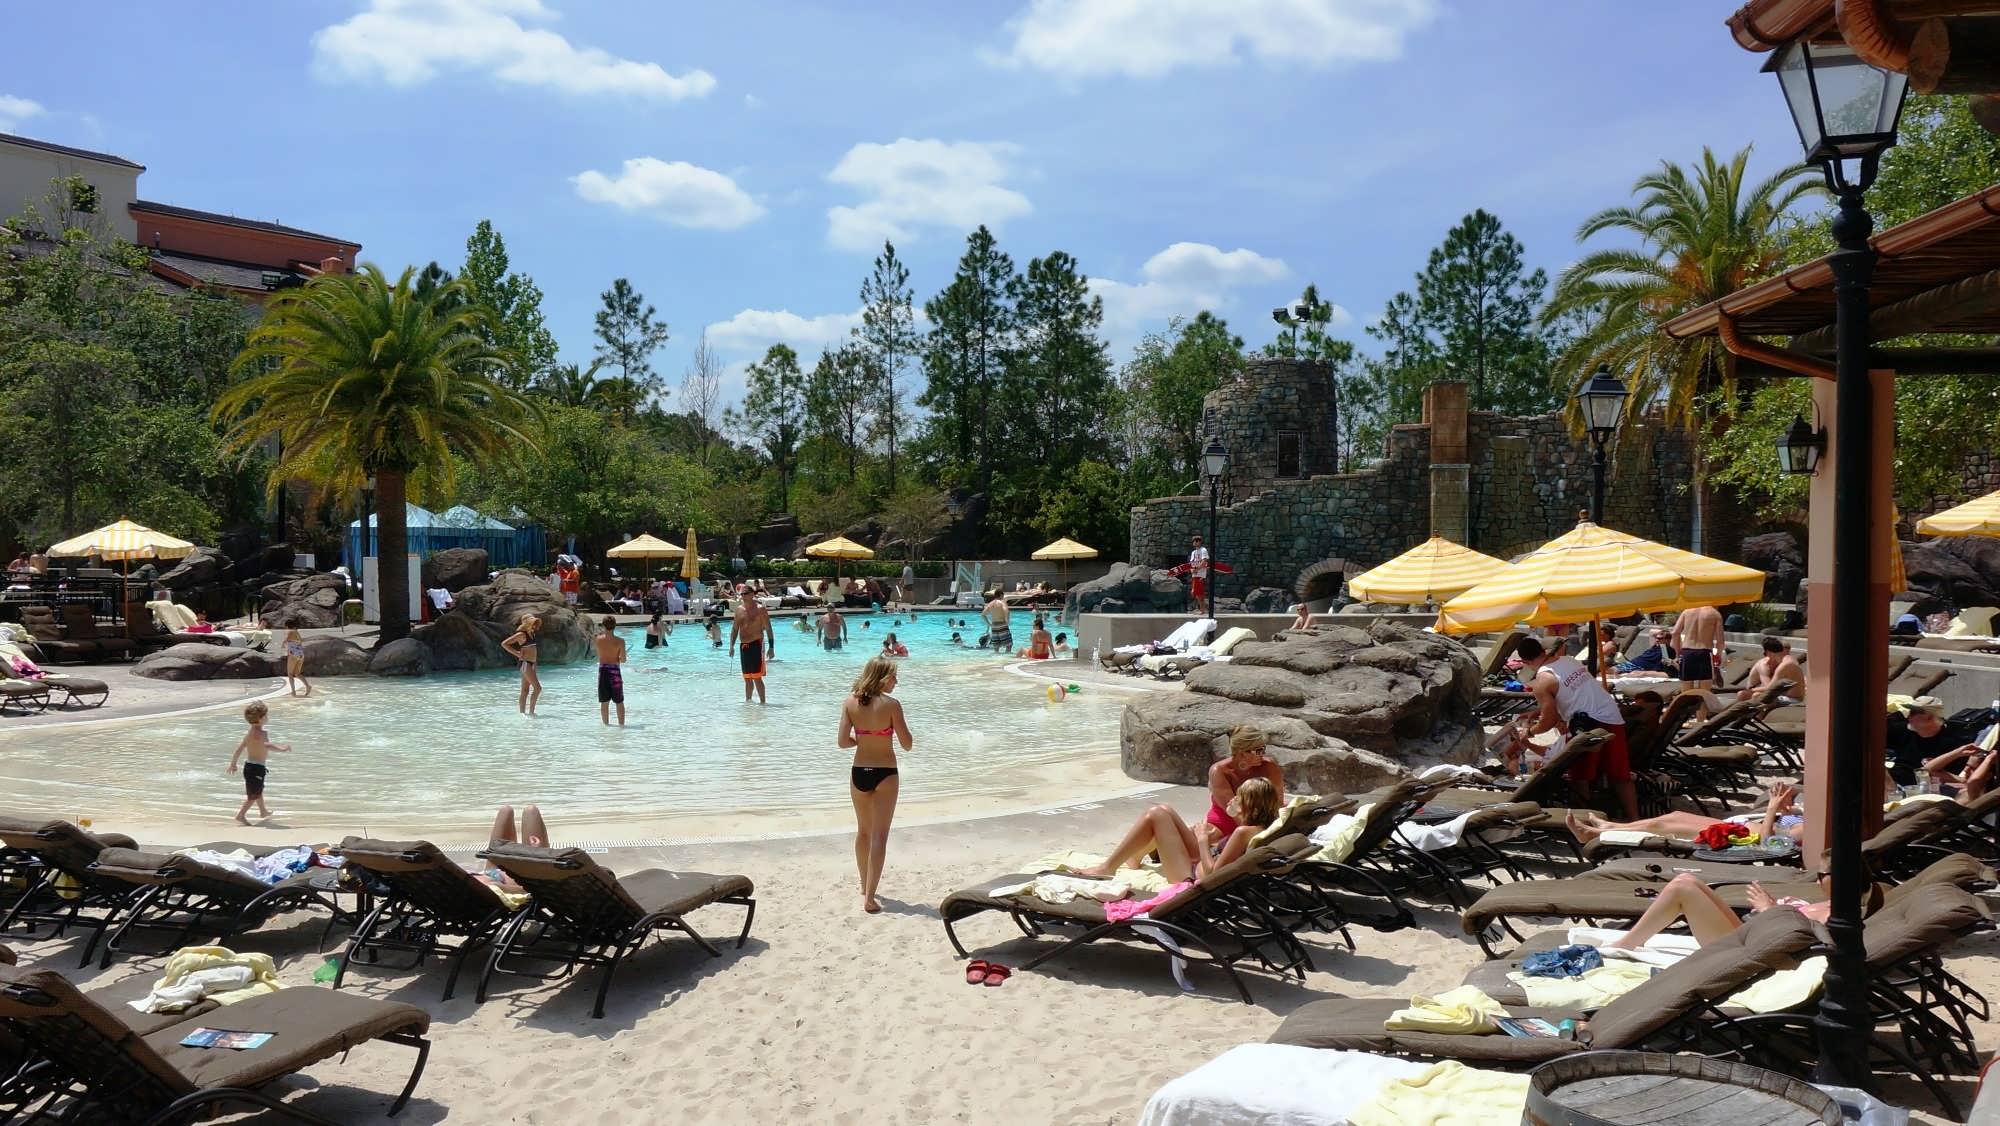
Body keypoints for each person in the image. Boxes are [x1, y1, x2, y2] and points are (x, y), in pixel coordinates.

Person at [1512, 637, 1639, 820]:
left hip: (1588, 724)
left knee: (1580, 776)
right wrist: (1537, 711)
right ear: (1542, 651)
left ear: (1524, 662)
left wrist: (1530, 732)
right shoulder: (1569, 660)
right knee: (1619, 774)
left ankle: (1586, 821)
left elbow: (1549, 720)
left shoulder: (1542, 679)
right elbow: (1572, 693)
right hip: (1611, 715)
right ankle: (1635, 819)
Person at [1076, 778, 1281, 884]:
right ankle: (1133, 858)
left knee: (1156, 814)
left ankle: (1108, 867)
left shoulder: (1242, 832)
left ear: (1252, 807)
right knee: (1164, 810)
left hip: (1190, 876)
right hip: (1199, 861)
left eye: (1239, 797)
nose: (1233, 798)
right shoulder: (1259, 827)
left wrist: (1202, 840)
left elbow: (1214, 874)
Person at [839, 656, 912, 914]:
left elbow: (842, 742)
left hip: (859, 771)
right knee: (880, 836)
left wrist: (863, 740)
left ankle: (863, 884)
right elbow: (907, 744)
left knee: (863, 833)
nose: (896, 681)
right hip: (885, 773)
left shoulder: (850, 702)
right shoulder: (892, 705)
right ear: (881, 677)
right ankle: (869, 898)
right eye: (893, 676)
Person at [1598, 870, 1830, 951]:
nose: (1818, 881)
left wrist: (1769, 910)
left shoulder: (1833, 917)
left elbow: (1793, 942)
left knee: (1682, 888)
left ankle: (1627, 944)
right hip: (1749, 933)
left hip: (1750, 950)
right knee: (1686, 879)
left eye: (1823, 875)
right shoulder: (1827, 905)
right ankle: (1631, 941)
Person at [1565, 780, 1807, 851]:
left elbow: (1769, 845)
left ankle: (1597, 834)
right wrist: (1790, 808)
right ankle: (1608, 826)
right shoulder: (1813, 817)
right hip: (1741, 826)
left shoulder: (1809, 829)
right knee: (1676, 814)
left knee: (1663, 825)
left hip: (1740, 837)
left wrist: (1773, 808)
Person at [1204, 725, 1286, 850]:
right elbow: (1233, 811)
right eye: (1258, 750)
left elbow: (1278, 803)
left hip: (1261, 821)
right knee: (1196, 844)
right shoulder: (1219, 771)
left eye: (1264, 749)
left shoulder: (1269, 766)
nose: (1263, 754)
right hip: (1224, 823)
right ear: (1242, 753)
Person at [227, 701, 290, 825]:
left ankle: (263, 811)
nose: (267, 718)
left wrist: (233, 763)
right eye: (266, 715)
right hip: (256, 768)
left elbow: (239, 748)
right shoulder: (261, 734)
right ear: (261, 718)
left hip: (249, 766)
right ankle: (241, 815)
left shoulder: (249, 733)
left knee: (258, 790)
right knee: (253, 796)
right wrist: (283, 749)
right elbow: (268, 745)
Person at [1888, 697, 1968, 787]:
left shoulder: (1952, 743)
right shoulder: (1903, 730)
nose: (1908, 716)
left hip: (1919, 789)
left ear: (1929, 717)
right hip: (1892, 783)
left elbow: (1951, 778)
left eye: (1913, 713)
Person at [1669, 604, 1724, 708]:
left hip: (1687, 652)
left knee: (1686, 693)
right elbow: (1720, 642)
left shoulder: (1687, 610)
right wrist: (1718, 656)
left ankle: (1683, 719)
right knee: (1704, 694)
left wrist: (1677, 653)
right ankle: (1700, 722)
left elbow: (1675, 632)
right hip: (1704, 652)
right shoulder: (1715, 614)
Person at [729, 591, 775, 704]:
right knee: (747, 678)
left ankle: (763, 703)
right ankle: (748, 703)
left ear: (752, 594)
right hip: (743, 646)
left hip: (756, 644)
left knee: (757, 677)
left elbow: (768, 628)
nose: (743, 596)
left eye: (745, 593)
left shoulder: (760, 609)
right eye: (742, 594)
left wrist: (771, 647)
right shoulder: (739, 609)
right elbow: (735, 629)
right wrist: (731, 646)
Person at [1923, 736, 1998, 801]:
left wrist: (1989, 759)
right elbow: (1927, 770)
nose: (1966, 770)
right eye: (1967, 765)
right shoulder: (1963, 781)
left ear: (1988, 776)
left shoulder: (1980, 792)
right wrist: (1959, 752)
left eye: (1972, 768)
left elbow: (1973, 781)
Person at [1741, 635, 1805, 703]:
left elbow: (1770, 688)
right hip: (1793, 696)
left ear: (1768, 652)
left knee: (1757, 696)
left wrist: (1751, 690)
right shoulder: (1791, 659)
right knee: (1756, 695)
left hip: (1793, 699)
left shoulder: (1784, 666)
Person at [501, 615, 543, 715]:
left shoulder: (532, 633)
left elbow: (533, 651)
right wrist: (517, 653)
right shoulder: (521, 634)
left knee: (525, 690)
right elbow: (504, 643)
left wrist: (535, 665)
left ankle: (522, 714)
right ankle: (531, 713)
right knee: (538, 688)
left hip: (531, 664)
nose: (535, 624)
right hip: (525, 663)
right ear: (526, 623)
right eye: (533, 622)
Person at [594, 615, 627, 727]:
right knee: (619, 701)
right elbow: (623, 660)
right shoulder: (620, 641)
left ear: (603, 625)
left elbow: (600, 655)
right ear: (615, 626)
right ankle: (621, 726)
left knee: (604, 701)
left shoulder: (598, 639)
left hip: (603, 671)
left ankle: (606, 726)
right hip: (615, 672)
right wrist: (617, 658)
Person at [283, 627, 311, 698]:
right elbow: (299, 642)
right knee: (297, 673)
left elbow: (285, 642)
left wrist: (283, 644)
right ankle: (308, 686)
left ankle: (293, 692)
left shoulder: (290, 632)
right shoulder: (298, 633)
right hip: (301, 655)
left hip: (293, 655)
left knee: (290, 674)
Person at [984, 589, 1013, 656]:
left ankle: (996, 659)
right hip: (1002, 624)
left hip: (994, 626)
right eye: (1003, 595)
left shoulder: (990, 604)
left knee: (996, 647)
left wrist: (989, 624)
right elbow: (1007, 611)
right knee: (1009, 645)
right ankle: (1007, 659)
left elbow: (983, 615)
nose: (1003, 597)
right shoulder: (1001, 602)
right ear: (1000, 595)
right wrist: (1007, 621)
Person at [1187, 534, 1211, 606]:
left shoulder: (1203, 550)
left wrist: (1196, 569)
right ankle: (1202, 609)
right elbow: (1191, 563)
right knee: (1196, 592)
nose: (1193, 543)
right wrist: (1192, 570)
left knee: (1199, 592)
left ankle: (1202, 609)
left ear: (1199, 542)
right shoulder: (1193, 552)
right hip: (1194, 574)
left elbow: (1204, 561)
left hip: (1200, 574)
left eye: (1195, 541)